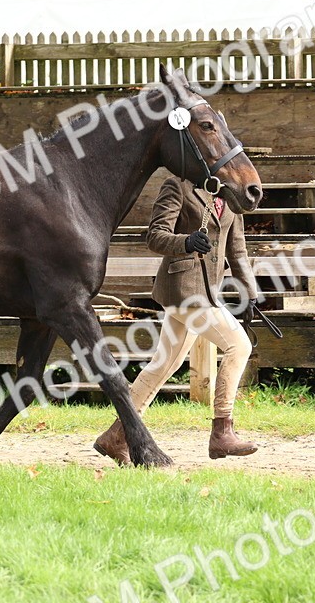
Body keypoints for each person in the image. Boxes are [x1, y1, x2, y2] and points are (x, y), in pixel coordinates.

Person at [94, 174, 260, 464]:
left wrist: (251, 294)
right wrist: (186, 242)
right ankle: (222, 431)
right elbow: (155, 236)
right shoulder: (178, 187)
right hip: (182, 290)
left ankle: (116, 436)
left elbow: (238, 251)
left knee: (162, 366)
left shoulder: (230, 197)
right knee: (239, 346)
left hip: (207, 292)